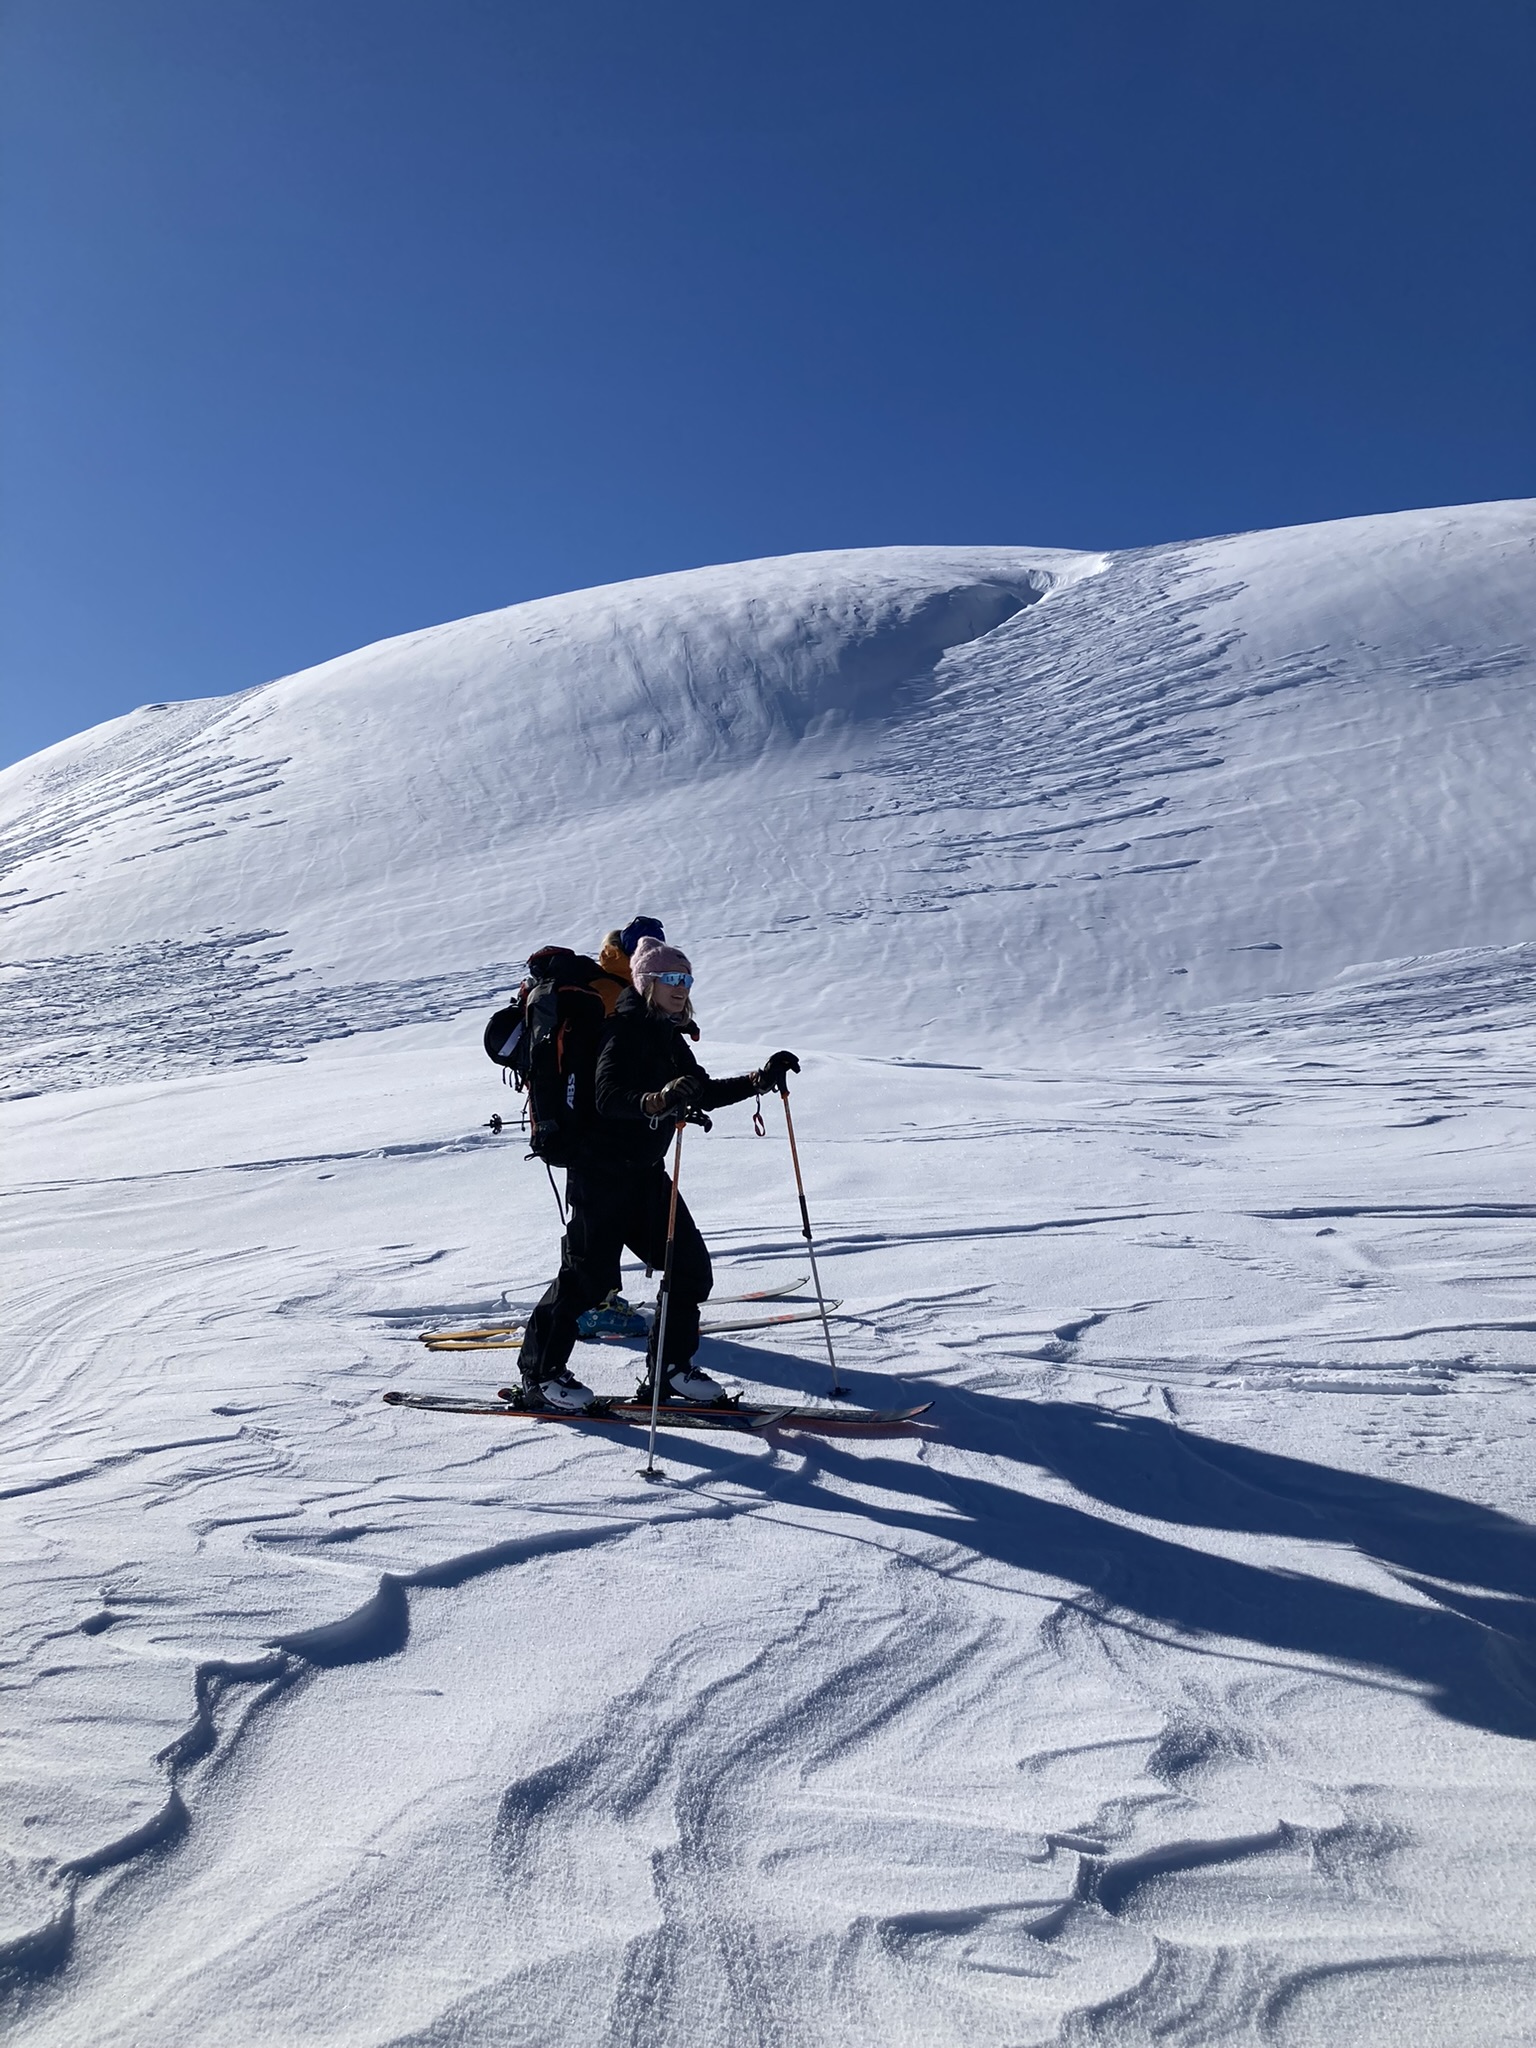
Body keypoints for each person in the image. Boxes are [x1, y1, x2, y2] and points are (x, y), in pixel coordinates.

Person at [515, 936, 798, 1412]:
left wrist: (758, 1080)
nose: (681, 988)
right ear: (646, 982)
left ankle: (669, 1370)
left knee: (690, 1270)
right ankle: (539, 1377)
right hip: (601, 1175)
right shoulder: (621, 1030)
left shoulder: (667, 1035)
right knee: (586, 1278)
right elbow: (607, 1097)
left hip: (645, 1176)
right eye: (671, 979)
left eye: (686, 979)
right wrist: (655, 1100)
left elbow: (699, 1089)